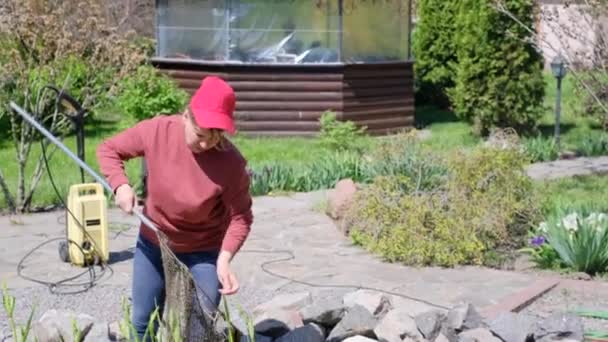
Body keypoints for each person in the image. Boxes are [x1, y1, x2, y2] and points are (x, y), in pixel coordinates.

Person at [96, 76, 253, 340]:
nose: (207, 145)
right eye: (201, 135)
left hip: (204, 251)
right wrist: (120, 185)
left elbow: (241, 218)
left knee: (199, 327)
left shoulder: (231, 164)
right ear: (185, 116)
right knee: (142, 322)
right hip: (153, 242)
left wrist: (224, 260)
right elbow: (109, 149)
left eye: (216, 137)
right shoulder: (158, 131)